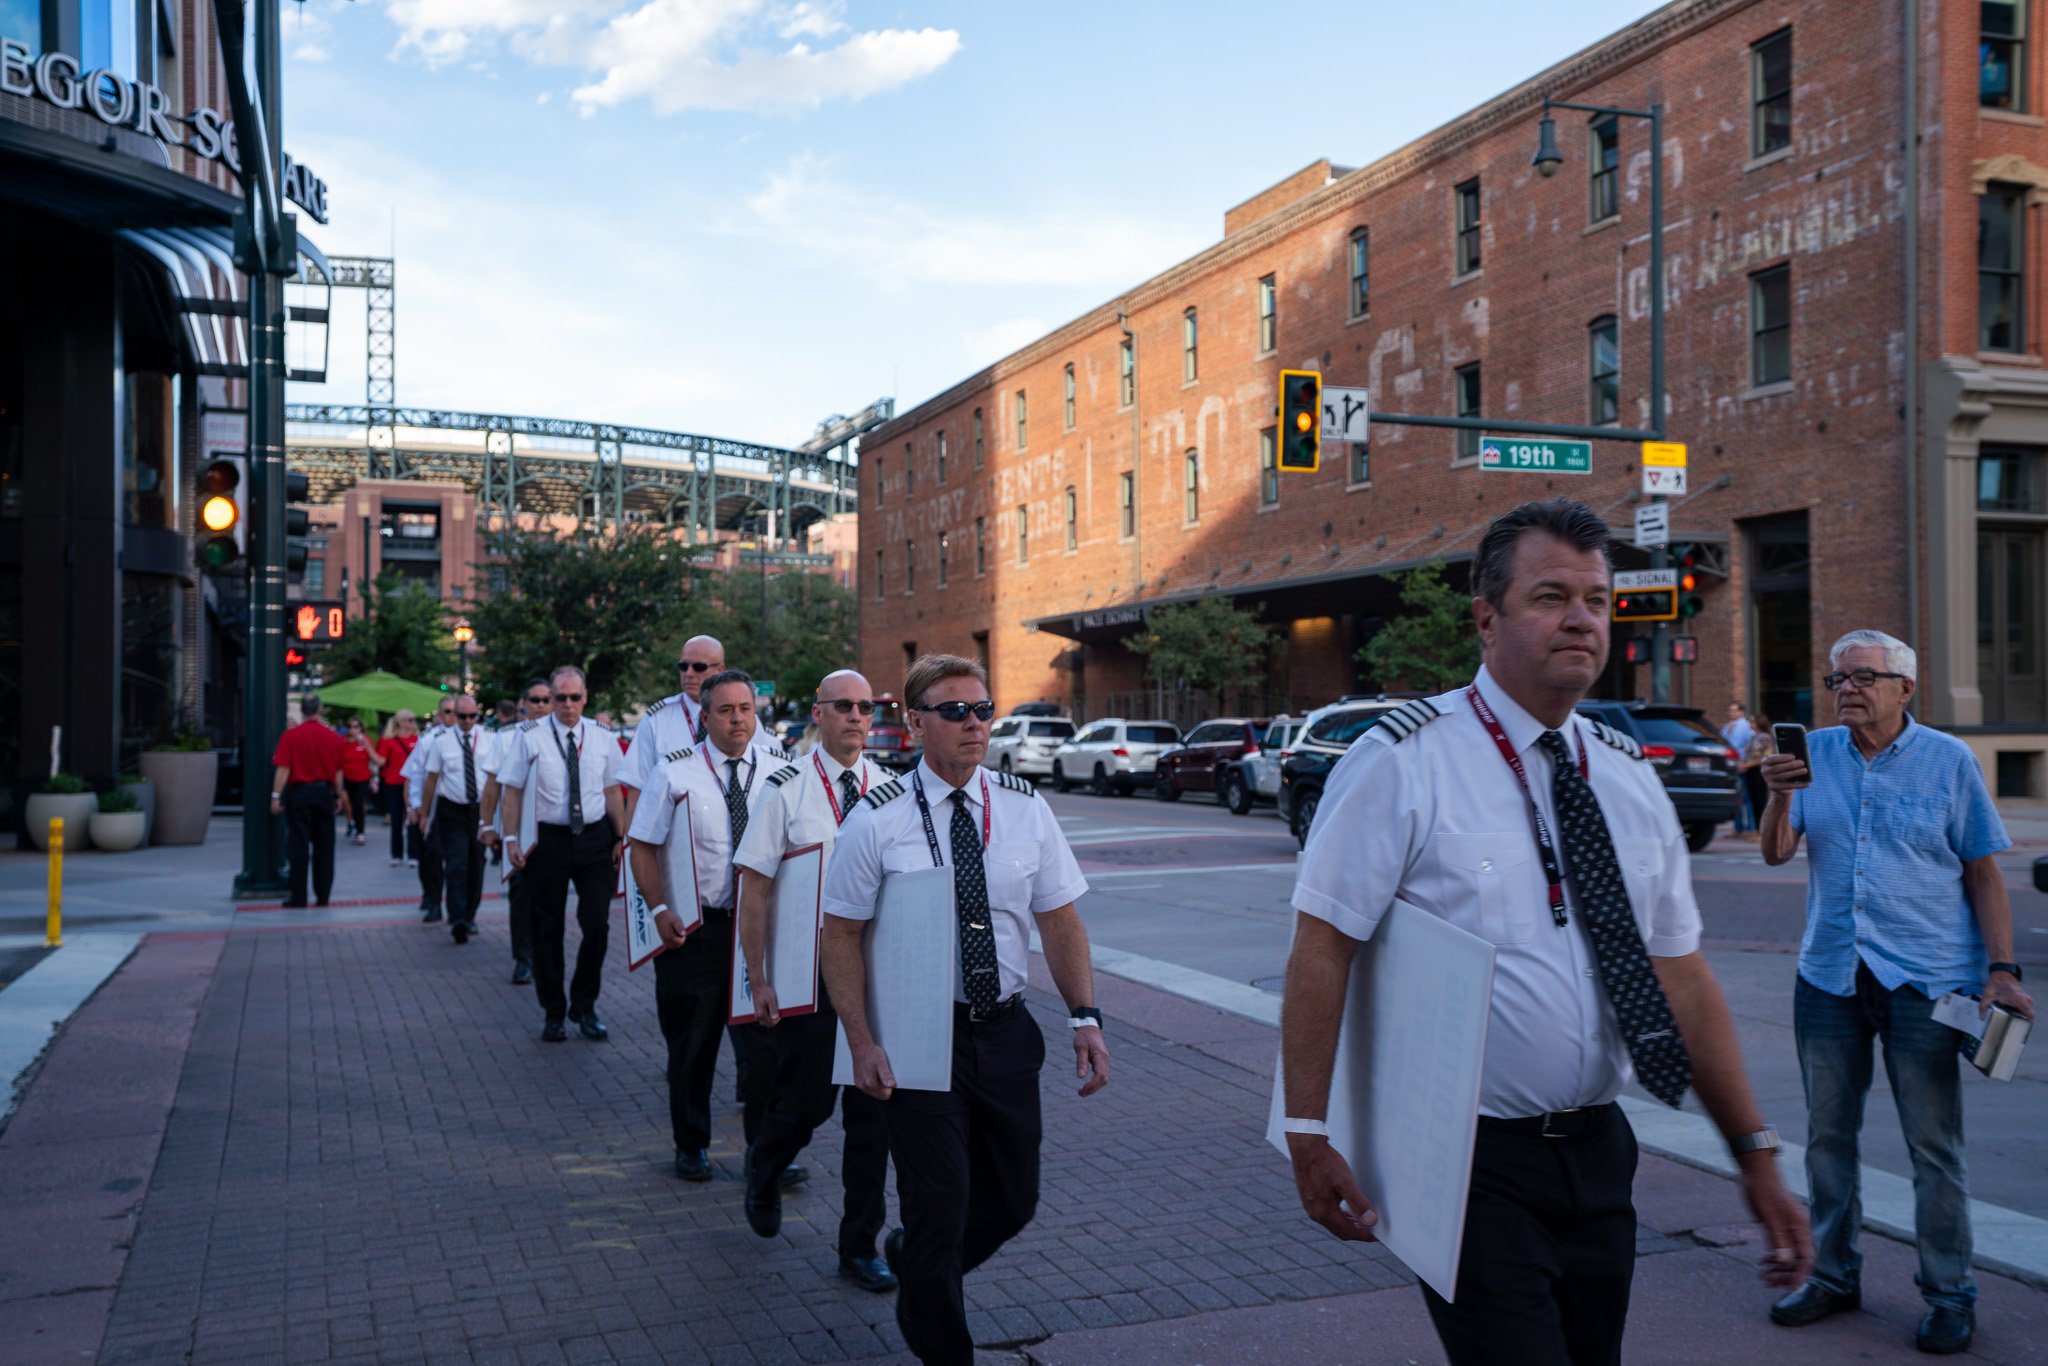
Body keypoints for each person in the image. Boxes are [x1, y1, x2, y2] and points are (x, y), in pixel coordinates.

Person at [1279, 499, 1810, 1366]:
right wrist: (1308, 1133)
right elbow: (1322, 947)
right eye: (1550, 596)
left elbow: (1680, 976)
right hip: (1468, 1162)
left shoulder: (1630, 776)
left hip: (1602, 1155)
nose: (1580, 619)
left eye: (1597, 600)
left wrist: (1753, 1151)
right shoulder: (1404, 761)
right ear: (1487, 618)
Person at [822, 653, 1110, 1366]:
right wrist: (861, 1041)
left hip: (1006, 1034)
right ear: (917, 723)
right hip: (919, 1037)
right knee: (940, 1202)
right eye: (955, 712)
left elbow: (1060, 919)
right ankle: (946, 1347)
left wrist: (1085, 1015)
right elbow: (841, 936)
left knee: (1013, 1201)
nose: (974, 724)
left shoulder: (1024, 808)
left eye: (984, 711)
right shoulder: (875, 820)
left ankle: (917, 1263)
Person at [1759, 629, 2034, 1356]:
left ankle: (1949, 1294)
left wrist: (2002, 970)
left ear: (1904, 689)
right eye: (1837, 679)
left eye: (1863, 677)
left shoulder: (1948, 761)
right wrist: (1775, 796)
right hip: (1830, 975)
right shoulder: (1812, 753)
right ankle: (1833, 1276)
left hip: (1926, 978)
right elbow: (1778, 852)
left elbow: (1982, 871)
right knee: (1826, 1141)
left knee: (1933, 1146)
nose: (1847, 688)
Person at [731, 669, 897, 1291]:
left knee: (873, 1114)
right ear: (818, 714)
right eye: (845, 706)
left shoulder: (892, 790)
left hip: (877, 978)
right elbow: (755, 886)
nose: (858, 716)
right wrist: (758, 976)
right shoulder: (786, 789)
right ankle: (764, 1166)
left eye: (866, 707)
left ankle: (859, 1245)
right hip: (809, 976)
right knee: (805, 1106)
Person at [625, 668, 791, 1182]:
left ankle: (766, 1154)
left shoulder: (783, 771)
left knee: (767, 1049)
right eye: (725, 710)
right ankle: (690, 1143)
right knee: (693, 1046)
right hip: (697, 933)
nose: (737, 719)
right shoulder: (674, 773)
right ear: (705, 717)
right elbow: (642, 845)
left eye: (745, 709)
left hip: (763, 932)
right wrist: (658, 910)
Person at [499, 666, 625, 1042]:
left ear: (585, 698)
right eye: (560, 698)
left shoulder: (603, 738)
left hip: (594, 839)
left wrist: (621, 836)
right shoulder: (529, 737)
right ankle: (553, 1011)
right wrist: (509, 839)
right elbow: (513, 791)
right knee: (546, 927)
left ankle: (584, 1006)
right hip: (548, 839)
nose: (567, 705)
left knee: (596, 924)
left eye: (574, 698)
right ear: (550, 699)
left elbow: (612, 791)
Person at [483, 680, 552, 985]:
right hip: (517, 830)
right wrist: (487, 825)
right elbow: (492, 785)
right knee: (521, 894)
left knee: (549, 896)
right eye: (534, 700)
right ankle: (523, 958)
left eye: (545, 700)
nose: (540, 705)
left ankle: (545, 954)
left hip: (551, 829)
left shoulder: (560, 737)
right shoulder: (507, 737)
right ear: (523, 704)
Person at [270, 693, 349, 908]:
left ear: (303, 710)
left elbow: (283, 768)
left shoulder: (291, 736)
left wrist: (276, 795)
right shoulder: (333, 737)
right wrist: (338, 795)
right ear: (319, 709)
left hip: (299, 793)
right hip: (324, 793)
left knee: (298, 846)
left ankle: (298, 896)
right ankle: (323, 896)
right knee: (325, 846)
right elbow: (338, 772)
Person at [421, 695, 488, 945]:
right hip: (452, 809)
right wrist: (425, 813)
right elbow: (431, 779)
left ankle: (470, 915)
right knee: (456, 862)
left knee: (476, 862)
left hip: (481, 809)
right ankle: (457, 917)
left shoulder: (489, 738)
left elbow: (495, 778)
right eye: (462, 716)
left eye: (473, 716)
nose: (468, 721)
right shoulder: (441, 741)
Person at [403, 696, 456, 921]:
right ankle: (433, 900)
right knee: (431, 856)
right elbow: (414, 775)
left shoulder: (474, 740)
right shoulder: (428, 740)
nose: (452, 717)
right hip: (432, 805)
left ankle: (459, 909)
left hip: (458, 807)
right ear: (439, 714)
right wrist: (414, 805)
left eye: (456, 712)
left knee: (458, 860)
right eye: (447, 712)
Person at [377, 712, 419, 867]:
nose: (412, 722)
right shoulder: (388, 740)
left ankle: (414, 855)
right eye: (409, 720)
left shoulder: (418, 739)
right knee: (396, 820)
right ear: (399, 722)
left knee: (413, 819)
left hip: (412, 784)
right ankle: (396, 854)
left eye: (413, 719)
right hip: (393, 784)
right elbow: (380, 761)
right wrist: (367, 746)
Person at [1737, 711, 1774, 842]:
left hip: (1759, 771)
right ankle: (1757, 830)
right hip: (1749, 772)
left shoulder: (1765, 737)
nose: (1750, 724)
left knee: (1760, 802)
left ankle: (1763, 832)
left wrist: (1747, 765)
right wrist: (1742, 763)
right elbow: (1747, 754)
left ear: (1759, 723)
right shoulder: (1754, 737)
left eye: (1752, 721)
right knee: (1753, 802)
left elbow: (1765, 757)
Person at [1723, 702, 1758, 834]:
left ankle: (1751, 827)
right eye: (1729, 710)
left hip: (1742, 764)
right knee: (1736, 797)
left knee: (1746, 797)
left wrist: (1746, 762)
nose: (1731, 713)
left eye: (1734, 710)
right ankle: (1738, 828)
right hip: (1730, 765)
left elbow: (1751, 745)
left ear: (1741, 712)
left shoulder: (1746, 726)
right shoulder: (1727, 726)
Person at [341, 717, 376, 845]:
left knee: (358, 803)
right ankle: (352, 823)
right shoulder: (343, 741)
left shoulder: (365, 741)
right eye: (350, 727)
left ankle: (360, 832)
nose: (353, 729)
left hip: (363, 778)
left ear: (361, 728)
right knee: (349, 802)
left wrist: (365, 744)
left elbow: (374, 759)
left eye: (356, 727)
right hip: (347, 777)